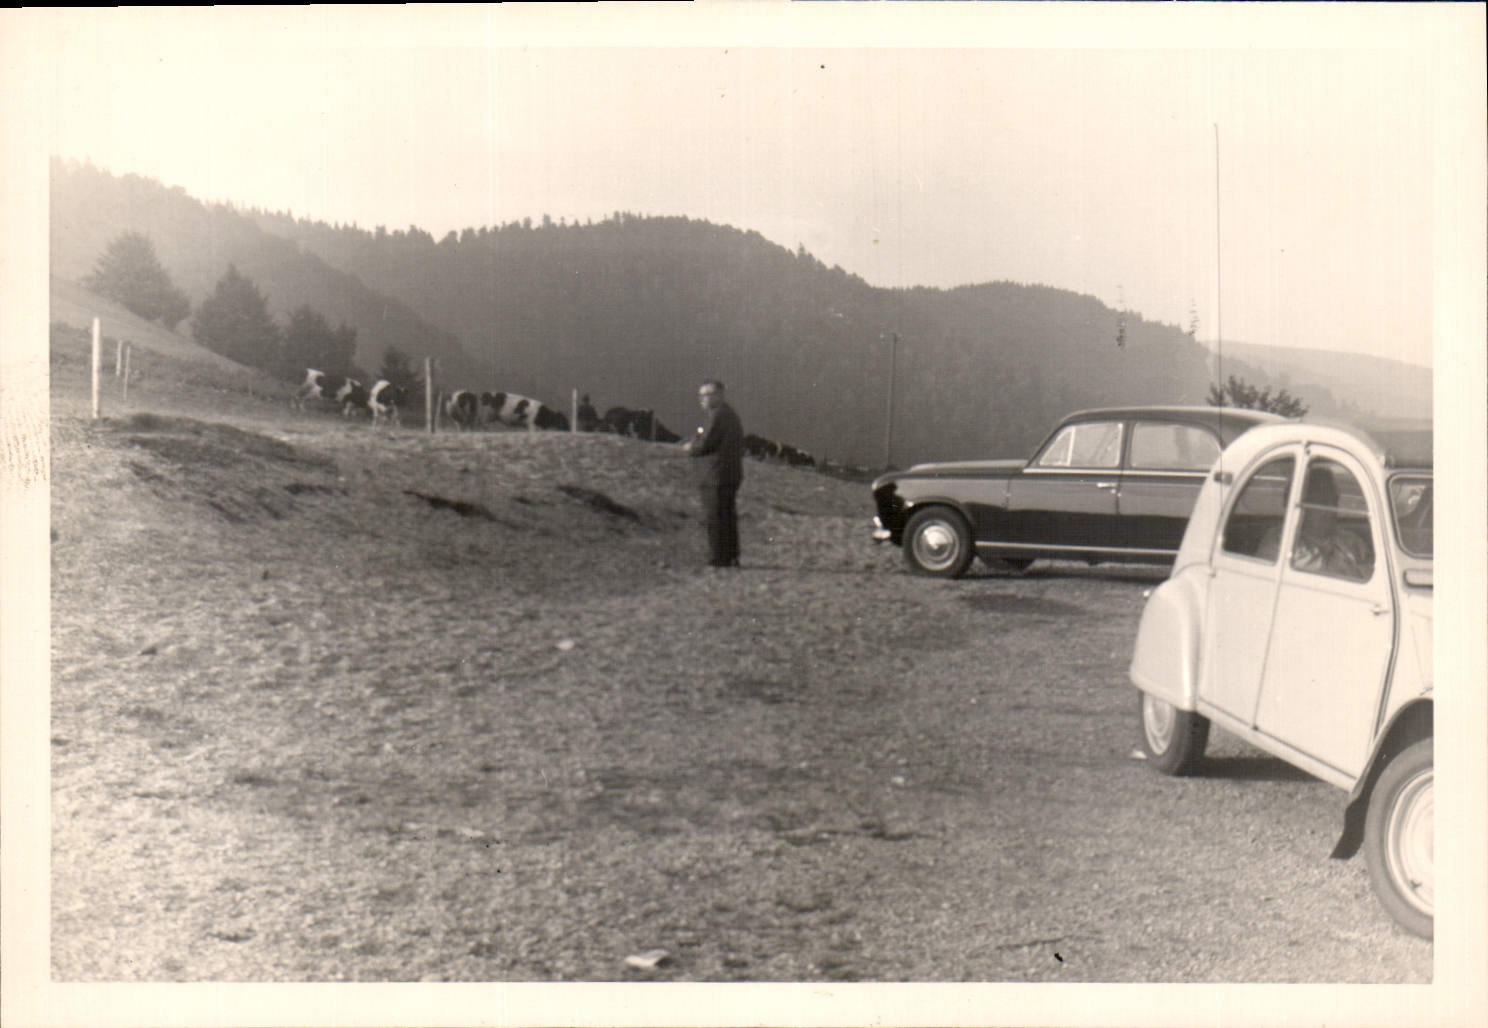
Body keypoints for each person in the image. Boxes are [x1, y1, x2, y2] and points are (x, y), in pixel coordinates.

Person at [683, 379, 744, 568]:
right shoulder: (724, 414)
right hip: (728, 475)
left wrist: (689, 448)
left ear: (719, 395)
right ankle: (731, 556)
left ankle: (718, 558)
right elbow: (704, 436)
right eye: (701, 394)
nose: (702, 398)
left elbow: (706, 443)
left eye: (707, 394)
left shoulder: (717, 416)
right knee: (727, 516)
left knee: (715, 517)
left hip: (715, 475)